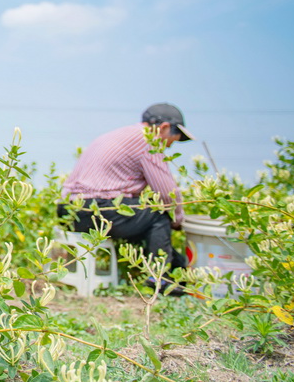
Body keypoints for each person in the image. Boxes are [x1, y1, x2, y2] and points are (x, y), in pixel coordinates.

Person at [58, 103, 194, 276]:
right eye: (173, 140)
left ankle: (179, 270)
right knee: (158, 215)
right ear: (164, 128)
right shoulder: (148, 140)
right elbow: (168, 195)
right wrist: (178, 220)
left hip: (69, 209)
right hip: (96, 209)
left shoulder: (121, 134)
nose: (168, 146)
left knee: (142, 219)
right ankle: (160, 279)